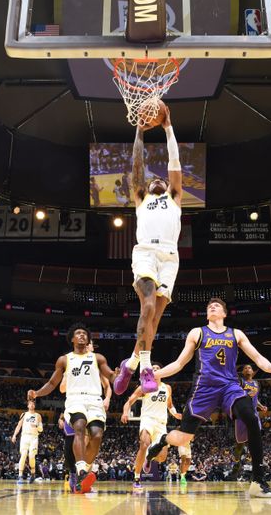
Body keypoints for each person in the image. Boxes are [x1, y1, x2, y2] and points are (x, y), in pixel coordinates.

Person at [143, 297, 271, 498]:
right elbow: (179, 363)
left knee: (251, 416)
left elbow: (256, 357)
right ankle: (161, 440)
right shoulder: (198, 332)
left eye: (217, 305)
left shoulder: (235, 334)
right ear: (207, 313)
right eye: (209, 306)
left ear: (224, 313)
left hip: (230, 385)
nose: (212, 306)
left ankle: (258, 480)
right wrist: (155, 374)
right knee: (184, 437)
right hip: (204, 388)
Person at [115, 101, 184, 395]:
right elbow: (137, 166)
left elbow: (175, 163)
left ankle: (130, 363)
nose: (157, 180)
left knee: (155, 317)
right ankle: (144, 366)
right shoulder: (141, 196)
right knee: (147, 306)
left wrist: (168, 128)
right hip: (145, 252)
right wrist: (140, 132)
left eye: (161, 179)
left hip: (169, 258)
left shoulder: (175, 195)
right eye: (153, 180)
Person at [28, 323, 117, 494]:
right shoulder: (65, 359)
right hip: (75, 399)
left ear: (89, 339)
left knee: (97, 435)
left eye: (85, 333)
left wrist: (119, 375)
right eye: (78, 333)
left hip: (94, 400)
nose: (82, 335)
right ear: (72, 339)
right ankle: (81, 469)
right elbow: (52, 383)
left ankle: (85, 470)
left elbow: (111, 377)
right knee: (79, 426)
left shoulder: (98, 358)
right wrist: (37, 393)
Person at [120, 363, 181, 489]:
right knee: (144, 444)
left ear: (162, 371)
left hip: (161, 423)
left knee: (162, 458)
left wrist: (175, 414)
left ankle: (148, 458)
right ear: (149, 372)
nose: (155, 370)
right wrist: (126, 412)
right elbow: (129, 401)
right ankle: (137, 478)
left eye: (158, 368)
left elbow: (169, 405)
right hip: (148, 419)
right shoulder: (144, 387)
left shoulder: (167, 388)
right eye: (153, 368)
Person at [231, 364, 267, 479]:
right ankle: (236, 459)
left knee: (256, 439)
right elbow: (235, 395)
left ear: (253, 371)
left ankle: (256, 470)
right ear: (242, 371)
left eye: (249, 368)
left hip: (254, 414)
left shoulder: (256, 383)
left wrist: (261, 406)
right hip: (242, 413)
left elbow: (255, 399)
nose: (247, 369)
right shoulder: (240, 382)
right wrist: (246, 394)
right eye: (245, 368)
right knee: (240, 443)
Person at [11, 399, 43, 483]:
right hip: (25, 437)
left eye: (33, 404)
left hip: (34, 437)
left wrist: (36, 426)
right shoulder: (24, 414)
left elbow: (41, 429)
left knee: (32, 455)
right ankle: (20, 475)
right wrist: (14, 435)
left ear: (34, 406)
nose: (31, 405)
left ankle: (33, 473)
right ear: (28, 406)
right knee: (24, 455)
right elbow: (18, 426)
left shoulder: (38, 416)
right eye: (30, 404)